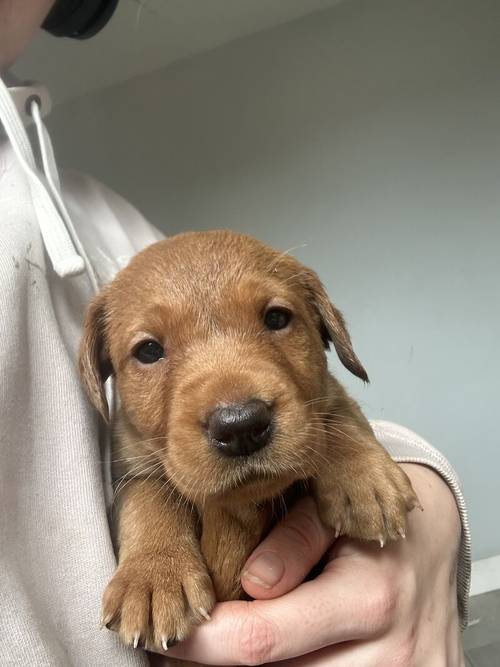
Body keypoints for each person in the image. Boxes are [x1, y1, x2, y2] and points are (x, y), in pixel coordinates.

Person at [0, 2, 470, 665]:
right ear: (96, 376)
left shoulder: (102, 219)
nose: (234, 405)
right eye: (150, 350)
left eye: (277, 318)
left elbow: (328, 403)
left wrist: (427, 497)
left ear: (329, 327)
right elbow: (137, 472)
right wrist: (156, 550)